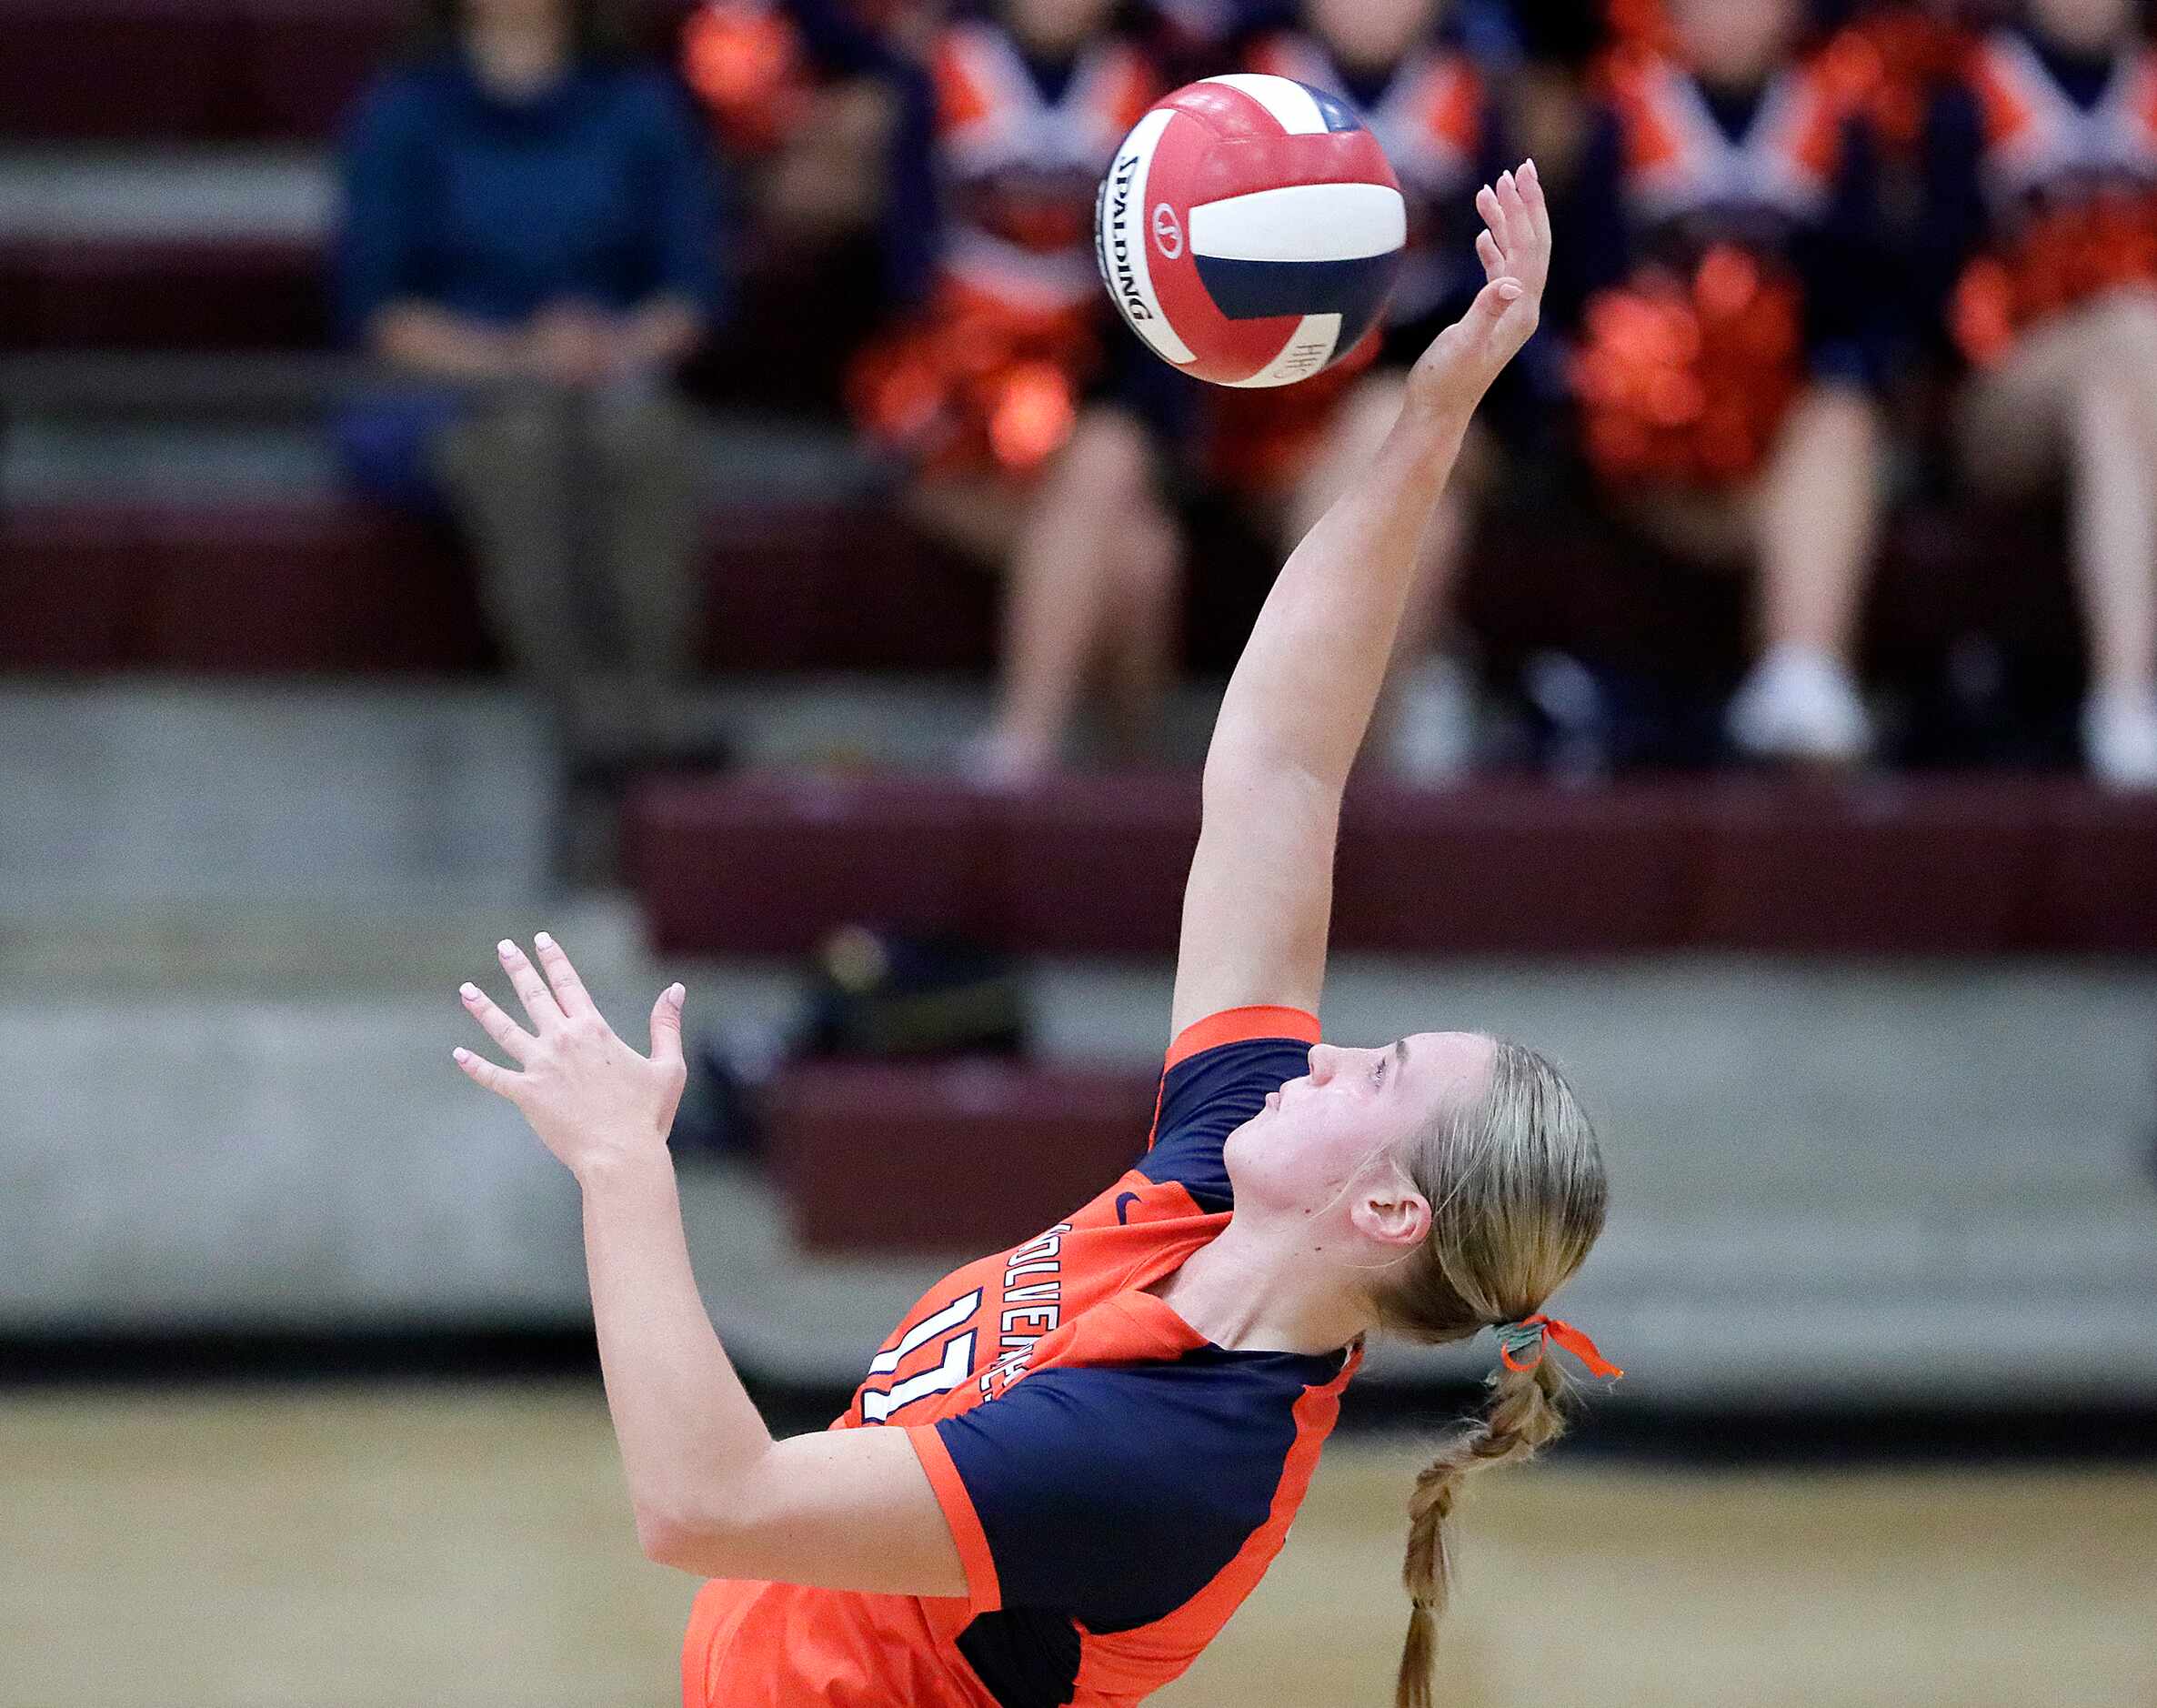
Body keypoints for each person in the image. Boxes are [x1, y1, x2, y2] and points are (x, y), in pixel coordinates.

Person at [451, 163, 1620, 1708]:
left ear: (1392, 1211)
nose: (1324, 1046)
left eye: (1378, 1067)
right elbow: (1277, 763)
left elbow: (704, 1499)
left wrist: (620, 1168)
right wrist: (1429, 418)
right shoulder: (1224, 1172)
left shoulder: (1163, 1456)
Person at [337, 0, 727, 769]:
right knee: (522, 440)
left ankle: (658, 700)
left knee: (637, 436)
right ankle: (585, 715)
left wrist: (605, 347)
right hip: (454, 383)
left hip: (608, 371)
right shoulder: (404, 112)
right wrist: (518, 358)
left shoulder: (638, 106)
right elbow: (378, 311)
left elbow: (692, 292)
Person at [847, 0, 1184, 784]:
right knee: (1141, 556)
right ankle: (1132, 776)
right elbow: (901, 272)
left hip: (1093, 395)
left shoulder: (1154, 86)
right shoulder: (939, 69)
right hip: (949, 398)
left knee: (1113, 477)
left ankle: (1027, 748)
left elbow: (1170, 289)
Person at [1560, 0, 1894, 765]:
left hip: (1786, 437)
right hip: (1651, 444)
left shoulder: (1837, 121)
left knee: (1841, 414)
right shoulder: (1624, 113)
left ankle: (1804, 682)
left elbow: (1866, 308)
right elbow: (1580, 296)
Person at [1219, 0, 1515, 780]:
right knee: (1430, 519)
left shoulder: (1474, 94)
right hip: (1276, 404)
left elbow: (1511, 290)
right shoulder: (1240, 85)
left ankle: (1310, 748)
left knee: (1391, 423)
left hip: (1438, 393)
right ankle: (1359, 747)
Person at [1921, 0, 2157, 786]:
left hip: (2126, 400)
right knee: (2132, 332)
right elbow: (1929, 289)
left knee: (2115, 396)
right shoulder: (1971, 92)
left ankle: (2124, 699)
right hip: (2006, 396)